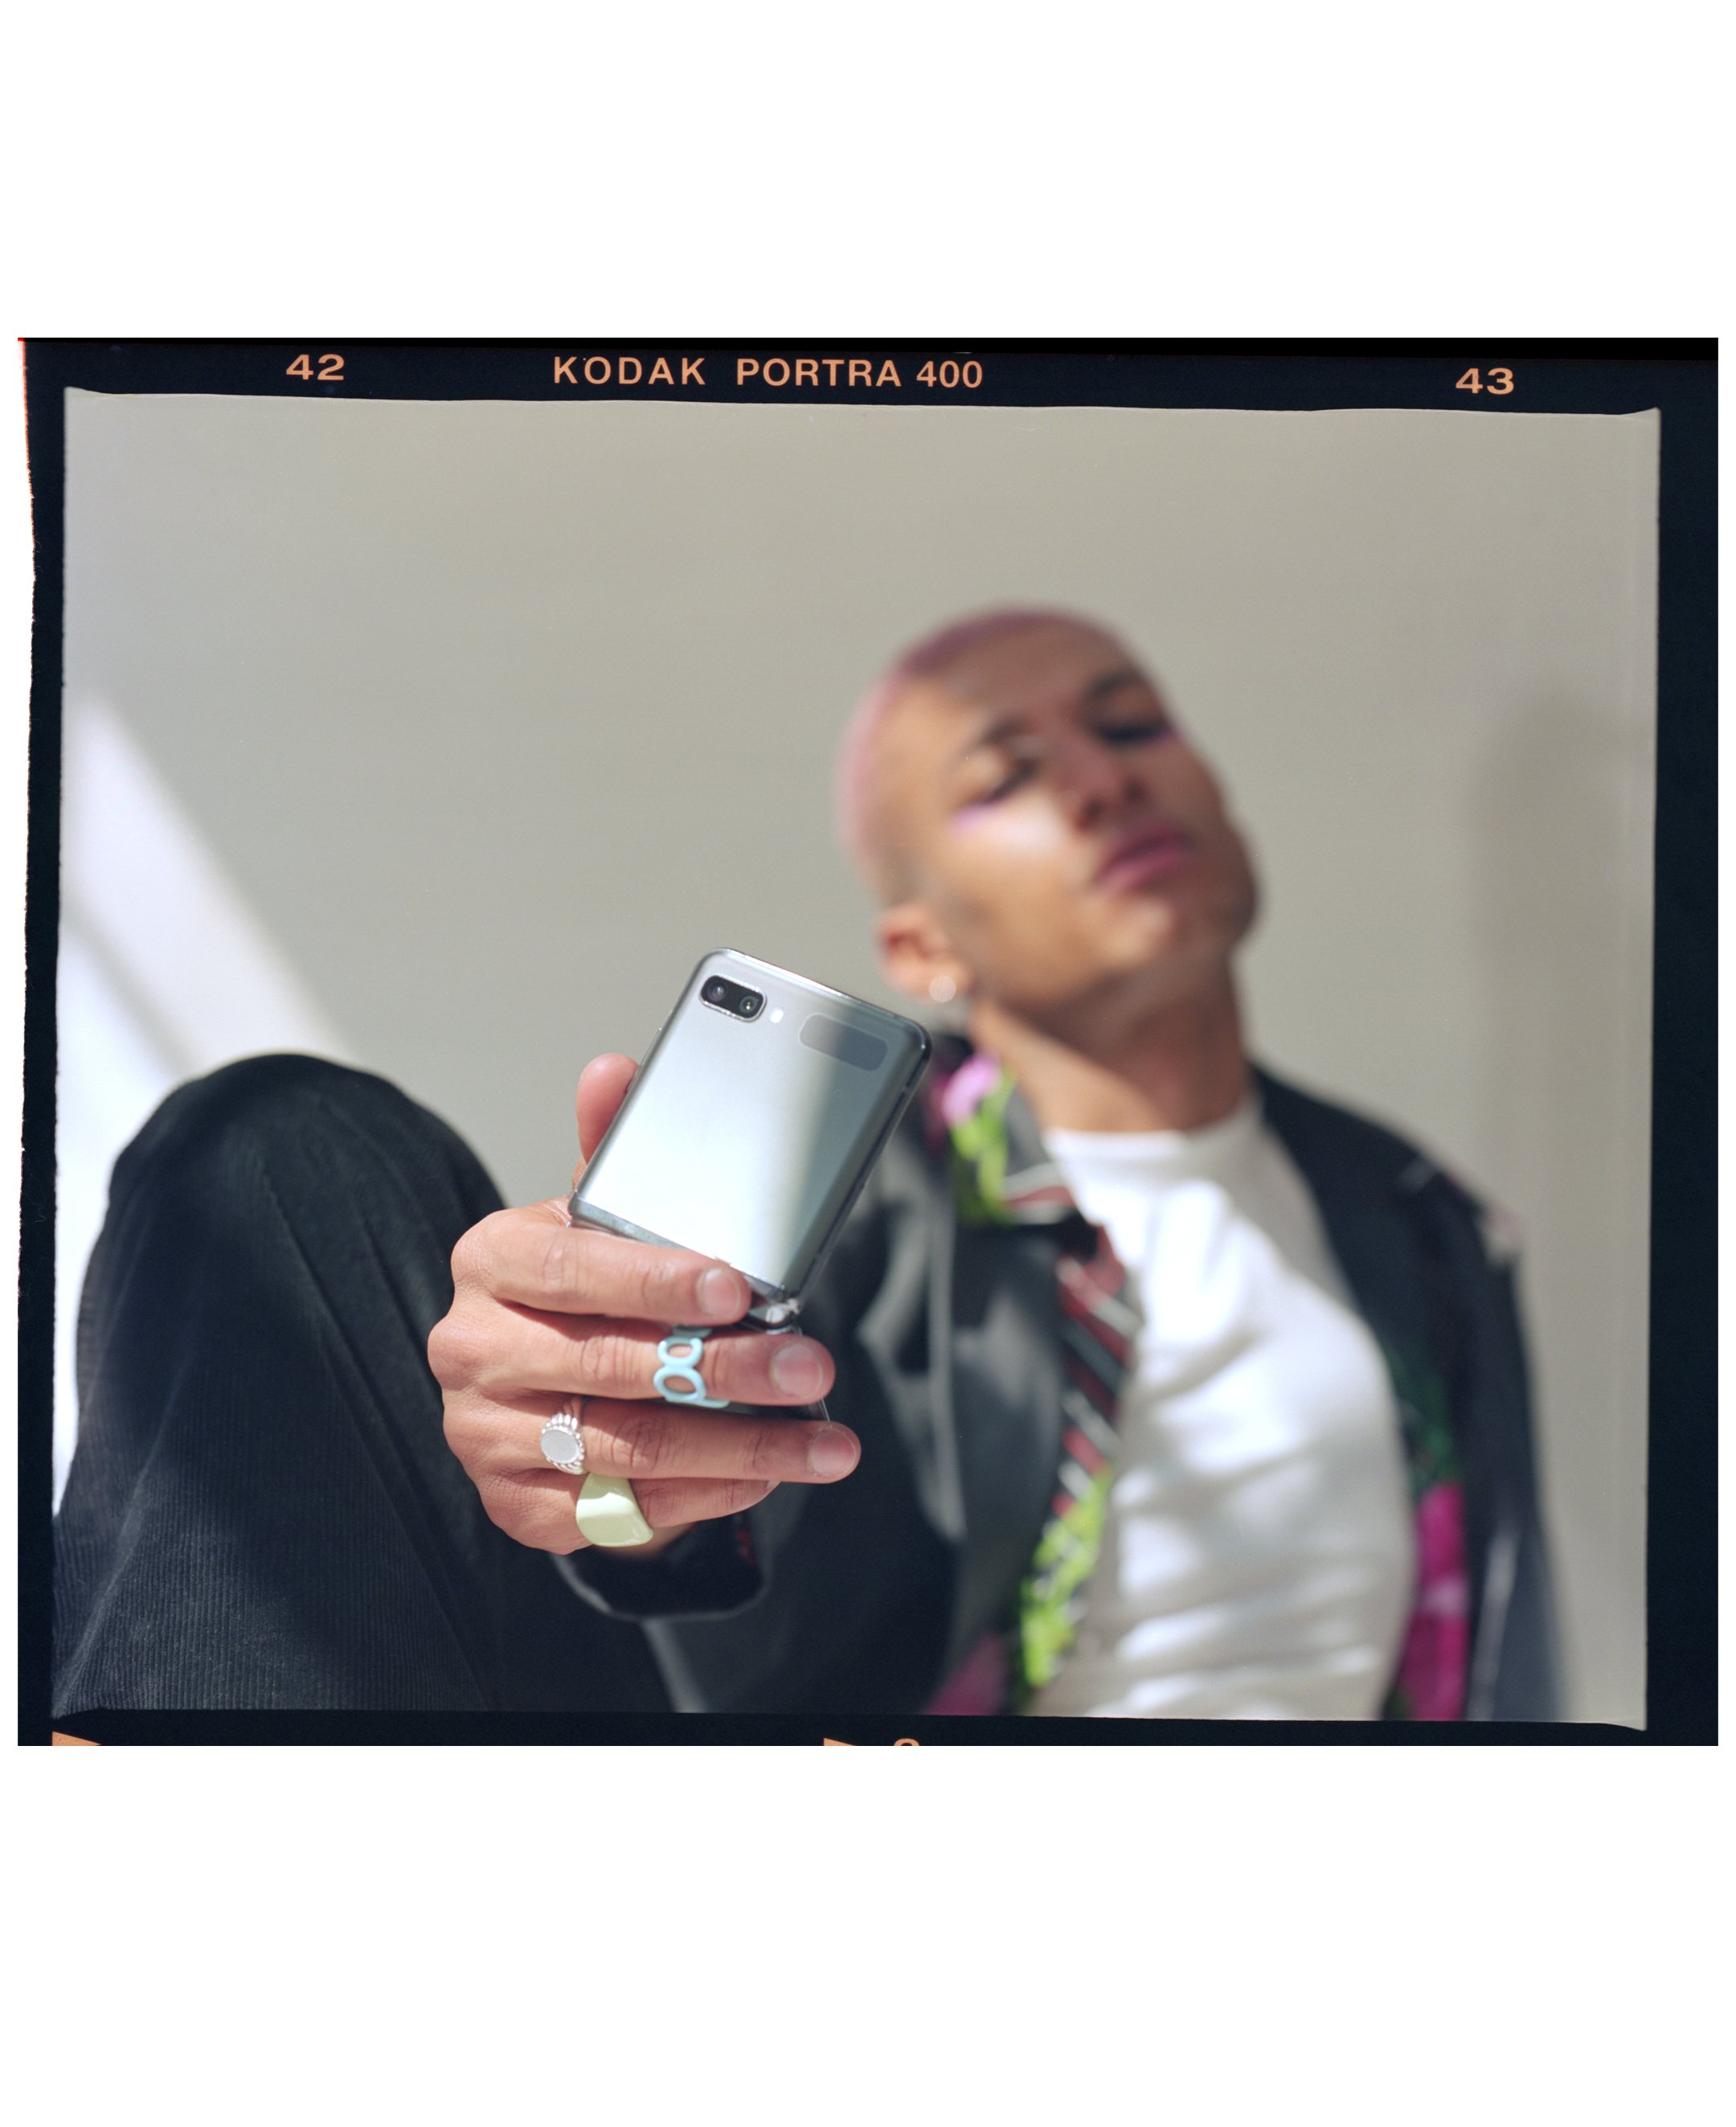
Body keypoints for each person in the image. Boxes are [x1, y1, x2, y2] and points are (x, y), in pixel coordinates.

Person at [52, 609, 1557, 1719]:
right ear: (921, 947)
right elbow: (723, 1593)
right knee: (277, 1152)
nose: (1100, 785)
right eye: (1005, 777)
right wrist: (614, 1478)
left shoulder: (1414, 1219)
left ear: (1220, 799)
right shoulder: (845, 1180)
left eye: (1129, 726)